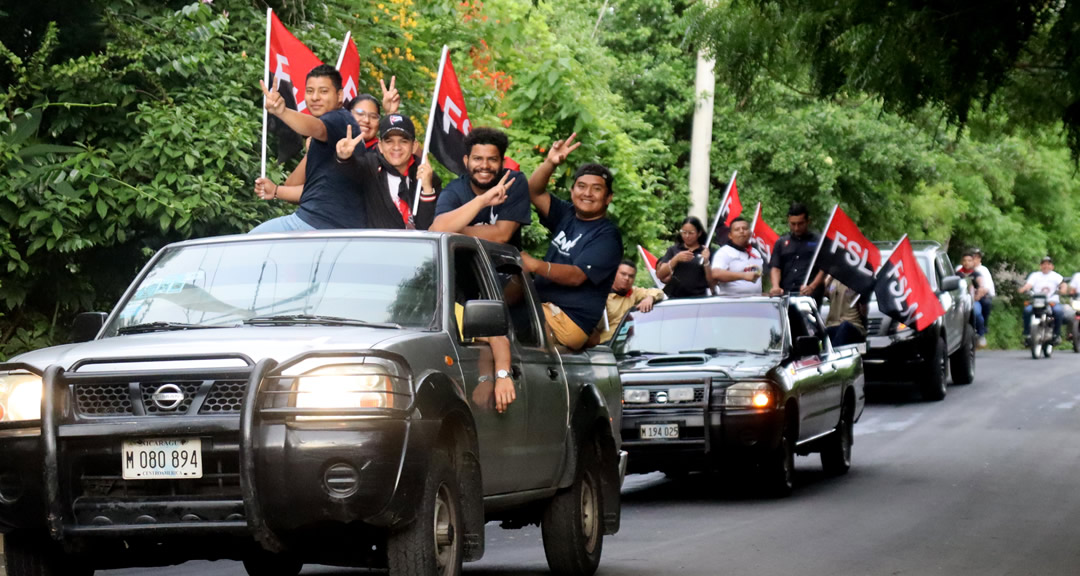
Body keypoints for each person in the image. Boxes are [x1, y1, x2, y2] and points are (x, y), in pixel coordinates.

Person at [524, 133, 623, 350]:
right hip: (545, 308)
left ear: (608, 198)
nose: (587, 193)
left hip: (568, 320)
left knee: (496, 322)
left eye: (596, 189)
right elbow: (533, 191)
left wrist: (535, 265)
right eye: (581, 186)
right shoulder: (566, 215)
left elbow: (577, 276)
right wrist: (550, 162)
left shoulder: (607, 236)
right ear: (572, 191)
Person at [252, 65, 366, 232]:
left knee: (248, 246)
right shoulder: (327, 138)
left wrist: (282, 112)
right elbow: (299, 187)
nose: (315, 97)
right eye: (310, 91)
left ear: (340, 95)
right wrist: (276, 191)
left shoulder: (339, 119)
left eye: (323, 91)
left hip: (319, 222)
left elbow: (317, 128)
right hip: (326, 224)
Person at [254, 80, 400, 205]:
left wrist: (392, 114)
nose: (366, 120)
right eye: (359, 114)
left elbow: (411, 157)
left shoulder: (381, 151)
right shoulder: (329, 147)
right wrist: (313, 151)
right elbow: (295, 187)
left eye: (373, 116)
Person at [429, 127, 532, 248]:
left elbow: (501, 235)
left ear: (503, 163)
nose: (484, 166)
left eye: (492, 159)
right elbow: (439, 228)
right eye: (477, 159)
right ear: (466, 161)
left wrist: (453, 230)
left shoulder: (513, 182)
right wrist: (482, 200)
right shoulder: (454, 190)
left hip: (504, 265)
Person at [334, 113, 440, 229]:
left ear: (414, 146)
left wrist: (427, 190)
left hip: (417, 245)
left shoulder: (427, 175)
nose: (396, 147)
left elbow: (427, 228)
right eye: (389, 141)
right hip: (380, 244)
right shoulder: (370, 166)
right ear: (380, 146)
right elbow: (349, 170)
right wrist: (343, 157)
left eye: (403, 141)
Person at [595, 260, 665, 343]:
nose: (627, 278)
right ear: (614, 274)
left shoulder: (634, 293)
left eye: (631, 276)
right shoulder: (600, 295)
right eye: (623, 274)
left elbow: (659, 292)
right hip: (604, 346)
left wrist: (650, 298)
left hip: (628, 345)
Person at [769, 202, 826, 302]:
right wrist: (775, 286)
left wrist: (812, 287)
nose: (796, 228)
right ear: (788, 221)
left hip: (810, 295)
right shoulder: (781, 242)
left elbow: (824, 269)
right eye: (793, 224)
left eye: (800, 224)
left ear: (808, 221)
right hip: (786, 294)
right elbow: (775, 268)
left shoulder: (819, 241)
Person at [656, 217, 712, 298]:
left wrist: (706, 261)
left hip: (699, 297)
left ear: (699, 233)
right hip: (675, 297)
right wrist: (675, 259)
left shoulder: (706, 251)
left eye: (691, 233)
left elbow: (712, 281)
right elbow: (661, 275)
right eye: (684, 232)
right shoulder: (673, 250)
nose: (687, 236)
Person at [710, 216, 763, 295]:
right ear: (730, 235)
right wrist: (743, 276)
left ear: (750, 233)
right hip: (732, 302)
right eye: (737, 229)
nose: (741, 231)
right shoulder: (724, 252)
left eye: (745, 228)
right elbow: (715, 273)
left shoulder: (755, 252)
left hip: (755, 301)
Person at [1018, 256, 1064, 346]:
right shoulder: (1035, 275)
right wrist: (1023, 289)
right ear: (1040, 266)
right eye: (1044, 264)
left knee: (1058, 311)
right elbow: (1028, 285)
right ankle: (1027, 334)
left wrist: (1062, 290)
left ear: (1052, 266)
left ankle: (1056, 334)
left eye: (1048, 264)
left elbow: (1063, 285)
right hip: (1037, 302)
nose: (1046, 266)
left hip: (1051, 302)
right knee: (1027, 310)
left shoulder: (1056, 276)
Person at [824, 277, 867, 346]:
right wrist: (828, 280)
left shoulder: (857, 282)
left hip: (851, 323)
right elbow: (827, 293)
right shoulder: (834, 281)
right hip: (832, 324)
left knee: (844, 327)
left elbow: (864, 311)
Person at [956, 250, 986, 340]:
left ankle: (981, 334)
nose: (967, 263)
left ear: (973, 262)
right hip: (960, 300)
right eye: (965, 260)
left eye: (969, 260)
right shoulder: (958, 274)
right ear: (962, 262)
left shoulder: (976, 274)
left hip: (973, 300)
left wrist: (978, 295)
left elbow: (981, 285)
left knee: (977, 313)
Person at [971, 248, 995, 347]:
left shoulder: (983, 270)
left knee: (984, 305)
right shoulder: (960, 270)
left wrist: (978, 295)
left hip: (979, 297)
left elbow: (987, 287)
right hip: (966, 297)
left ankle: (982, 329)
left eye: (976, 257)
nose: (973, 260)